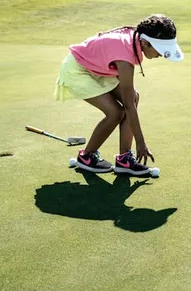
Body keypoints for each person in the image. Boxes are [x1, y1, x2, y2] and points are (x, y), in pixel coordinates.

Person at [54, 14, 183, 174]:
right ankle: (86, 156)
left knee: (134, 97)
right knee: (116, 112)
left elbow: (130, 100)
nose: (161, 55)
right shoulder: (125, 55)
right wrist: (141, 143)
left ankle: (124, 159)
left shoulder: (136, 39)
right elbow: (128, 106)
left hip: (97, 67)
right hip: (77, 69)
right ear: (145, 42)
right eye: (160, 50)